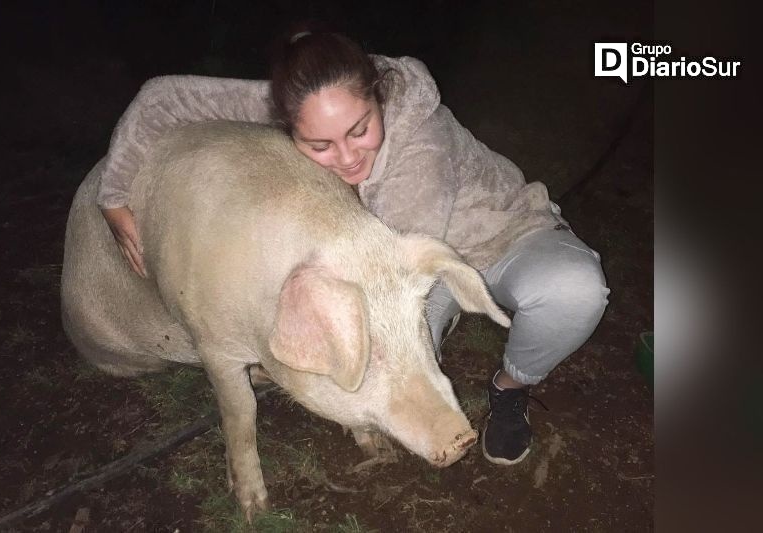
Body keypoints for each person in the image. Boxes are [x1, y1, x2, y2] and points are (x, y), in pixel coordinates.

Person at [96, 28, 610, 466]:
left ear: (378, 96)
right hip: (408, 258)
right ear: (289, 122)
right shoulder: (312, 102)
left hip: (490, 236)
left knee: (574, 291)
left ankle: (509, 390)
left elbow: (386, 274)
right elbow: (163, 98)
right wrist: (114, 197)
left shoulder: (420, 143)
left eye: (360, 130)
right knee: (368, 364)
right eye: (318, 145)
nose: (345, 157)